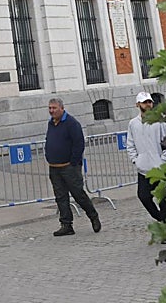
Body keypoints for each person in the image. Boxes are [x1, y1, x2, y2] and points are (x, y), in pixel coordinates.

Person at [45, 97, 100, 236]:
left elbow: (78, 143)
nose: (51, 111)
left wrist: (73, 162)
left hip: (69, 167)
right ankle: (66, 224)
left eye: (54, 108)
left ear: (62, 108)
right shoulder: (51, 123)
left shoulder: (71, 123)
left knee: (78, 194)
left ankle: (93, 216)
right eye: (50, 108)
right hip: (54, 166)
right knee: (60, 197)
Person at [126, 91, 166, 222]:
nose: (148, 105)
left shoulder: (160, 121)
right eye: (144, 102)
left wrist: (164, 160)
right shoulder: (133, 123)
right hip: (143, 169)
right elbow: (130, 143)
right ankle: (160, 219)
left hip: (160, 168)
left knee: (164, 200)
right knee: (144, 197)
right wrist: (135, 160)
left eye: (149, 102)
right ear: (138, 104)